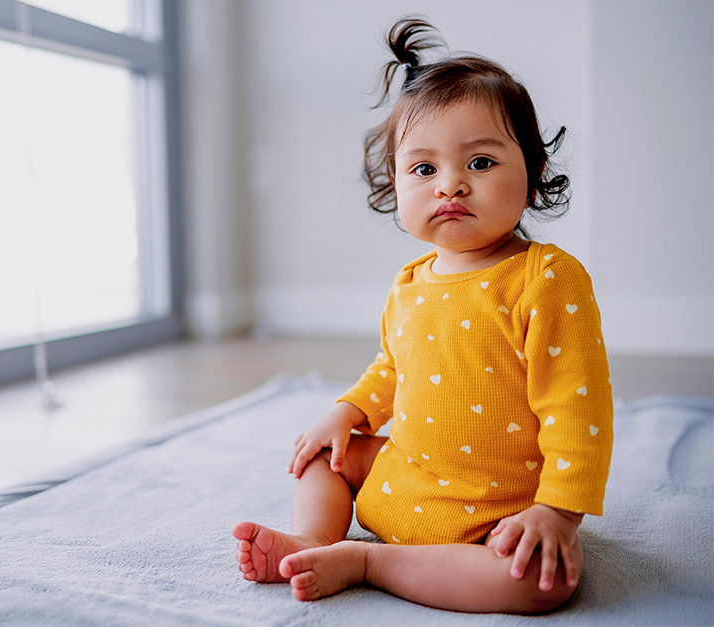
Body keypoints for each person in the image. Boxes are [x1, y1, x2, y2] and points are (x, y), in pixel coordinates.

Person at [231, 16, 613, 614]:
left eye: (481, 163)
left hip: (500, 509)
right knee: (319, 457)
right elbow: (393, 367)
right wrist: (348, 411)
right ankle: (312, 540)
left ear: (534, 170)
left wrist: (557, 511)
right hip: (404, 473)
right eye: (424, 169)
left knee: (542, 584)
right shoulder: (410, 282)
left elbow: (576, 403)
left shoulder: (545, 278)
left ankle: (367, 561)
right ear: (396, 184)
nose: (451, 186)